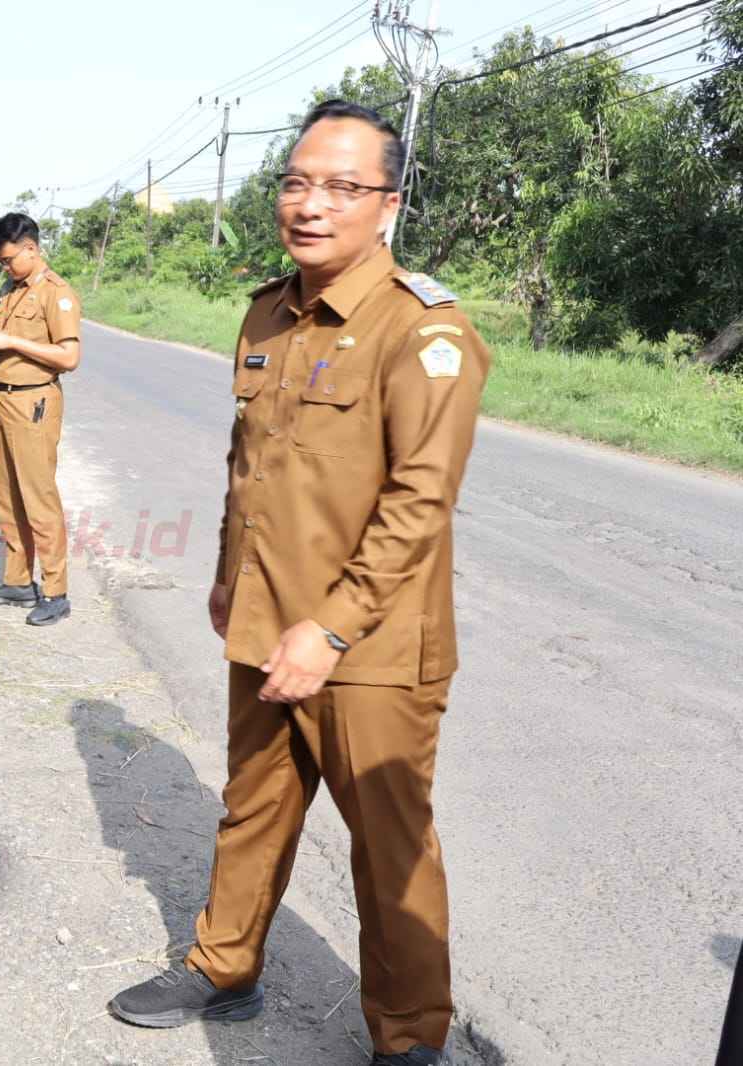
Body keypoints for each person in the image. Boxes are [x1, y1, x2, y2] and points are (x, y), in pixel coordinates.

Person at [106, 100, 491, 1066]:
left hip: (368, 647)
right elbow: (255, 466)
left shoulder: (425, 332)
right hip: (265, 620)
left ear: (387, 205)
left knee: (389, 850)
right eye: (295, 181)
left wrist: (328, 630)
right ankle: (223, 968)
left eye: (341, 187)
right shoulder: (266, 310)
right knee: (254, 805)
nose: (310, 204)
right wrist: (229, 579)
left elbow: (418, 502)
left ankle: (408, 1042)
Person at [0, 213, 82, 626]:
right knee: (8, 498)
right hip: (1, 401)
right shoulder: (10, 290)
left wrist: (9, 340)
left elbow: (69, 357)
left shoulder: (57, 293)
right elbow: (7, 345)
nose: (5, 266)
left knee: (39, 499)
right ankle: (18, 581)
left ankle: (56, 591)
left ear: (32, 249)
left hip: (33, 403)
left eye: (9, 259)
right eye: (1, 261)